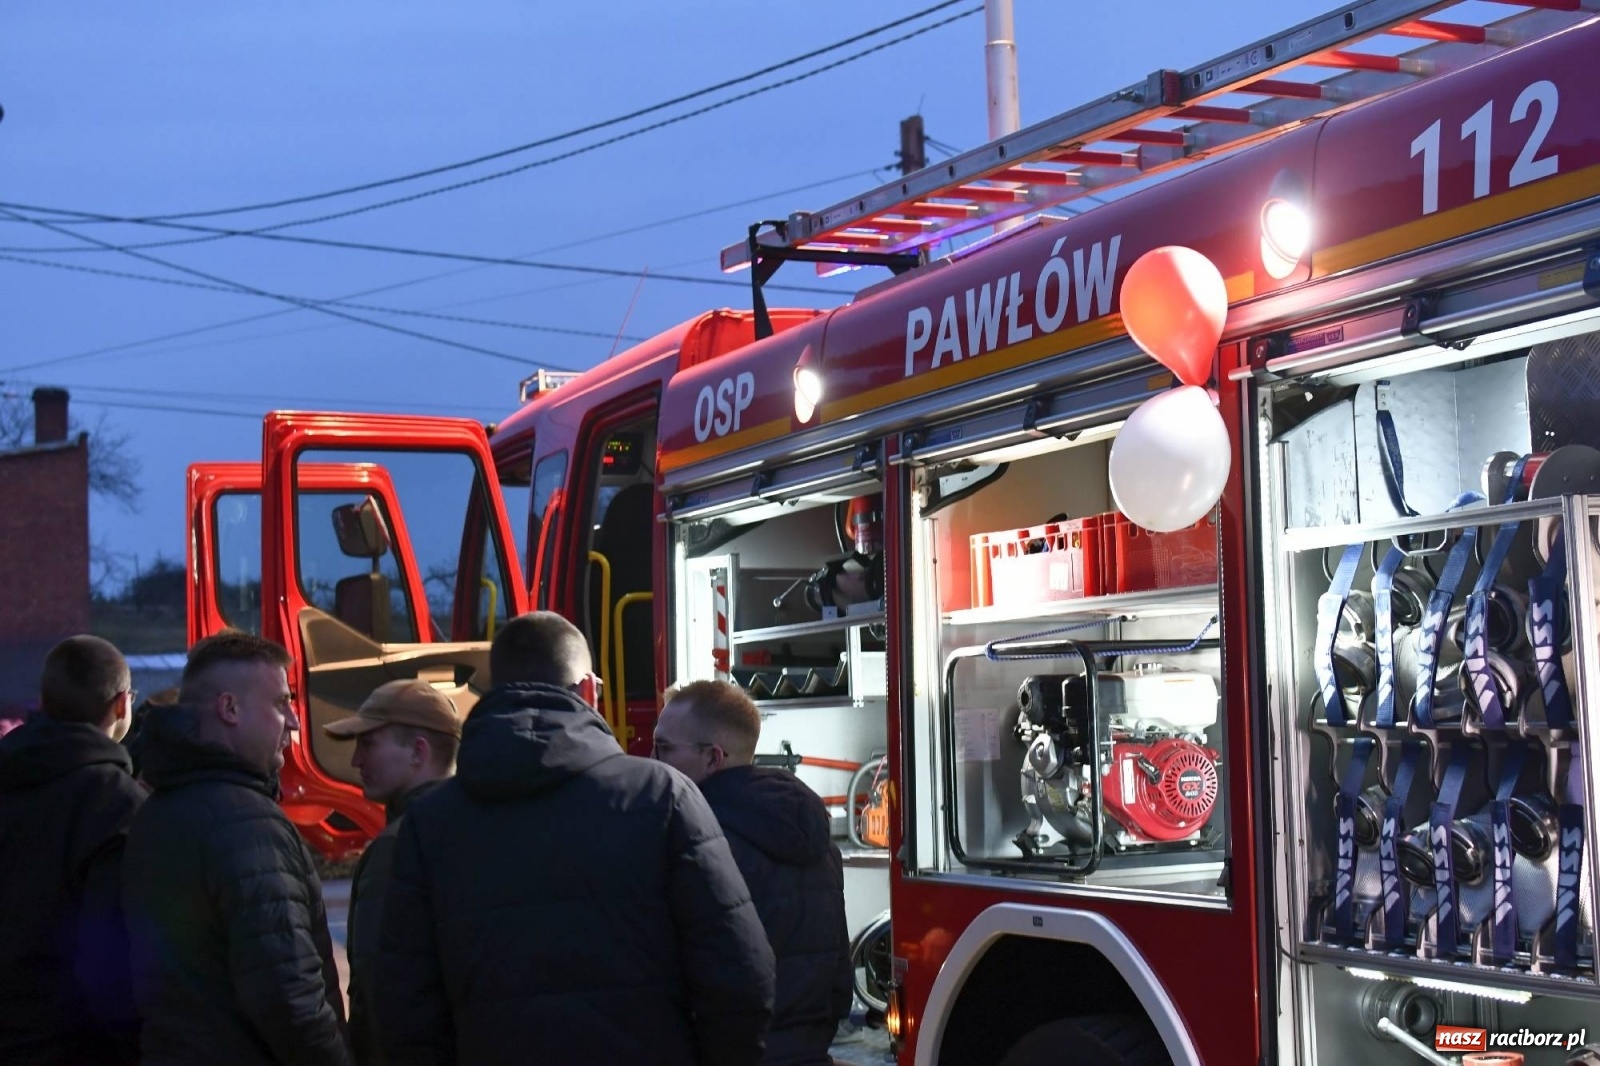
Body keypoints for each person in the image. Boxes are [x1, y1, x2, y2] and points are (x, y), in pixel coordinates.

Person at [375, 611, 776, 1066]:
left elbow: (402, 1002)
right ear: (587, 689)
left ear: (491, 691)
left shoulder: (428, 824)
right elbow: (740, 973)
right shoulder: (663, 798)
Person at [121, 630, 351, 1066]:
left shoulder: (158, 810)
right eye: (281, 703)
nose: (295, 722)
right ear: (229, 709)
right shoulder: (246, 824)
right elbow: (289, 998)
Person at [655, 680, 853, 1066]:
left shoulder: (696, 848)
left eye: (664, 747)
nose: (652, 759)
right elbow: (838, 982)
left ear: (713, 758)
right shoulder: (821, 846)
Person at [0, 635, 146, 1064]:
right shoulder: (117, 803)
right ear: (122, 705)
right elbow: (111, 958)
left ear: (44, 701)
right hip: (72, 1043)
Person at [322, 678, 460, 1065]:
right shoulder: (473, 830)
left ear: (418, 751)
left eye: (368, 743)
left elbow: (378, 991)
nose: (356, 760)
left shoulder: (398, 848)